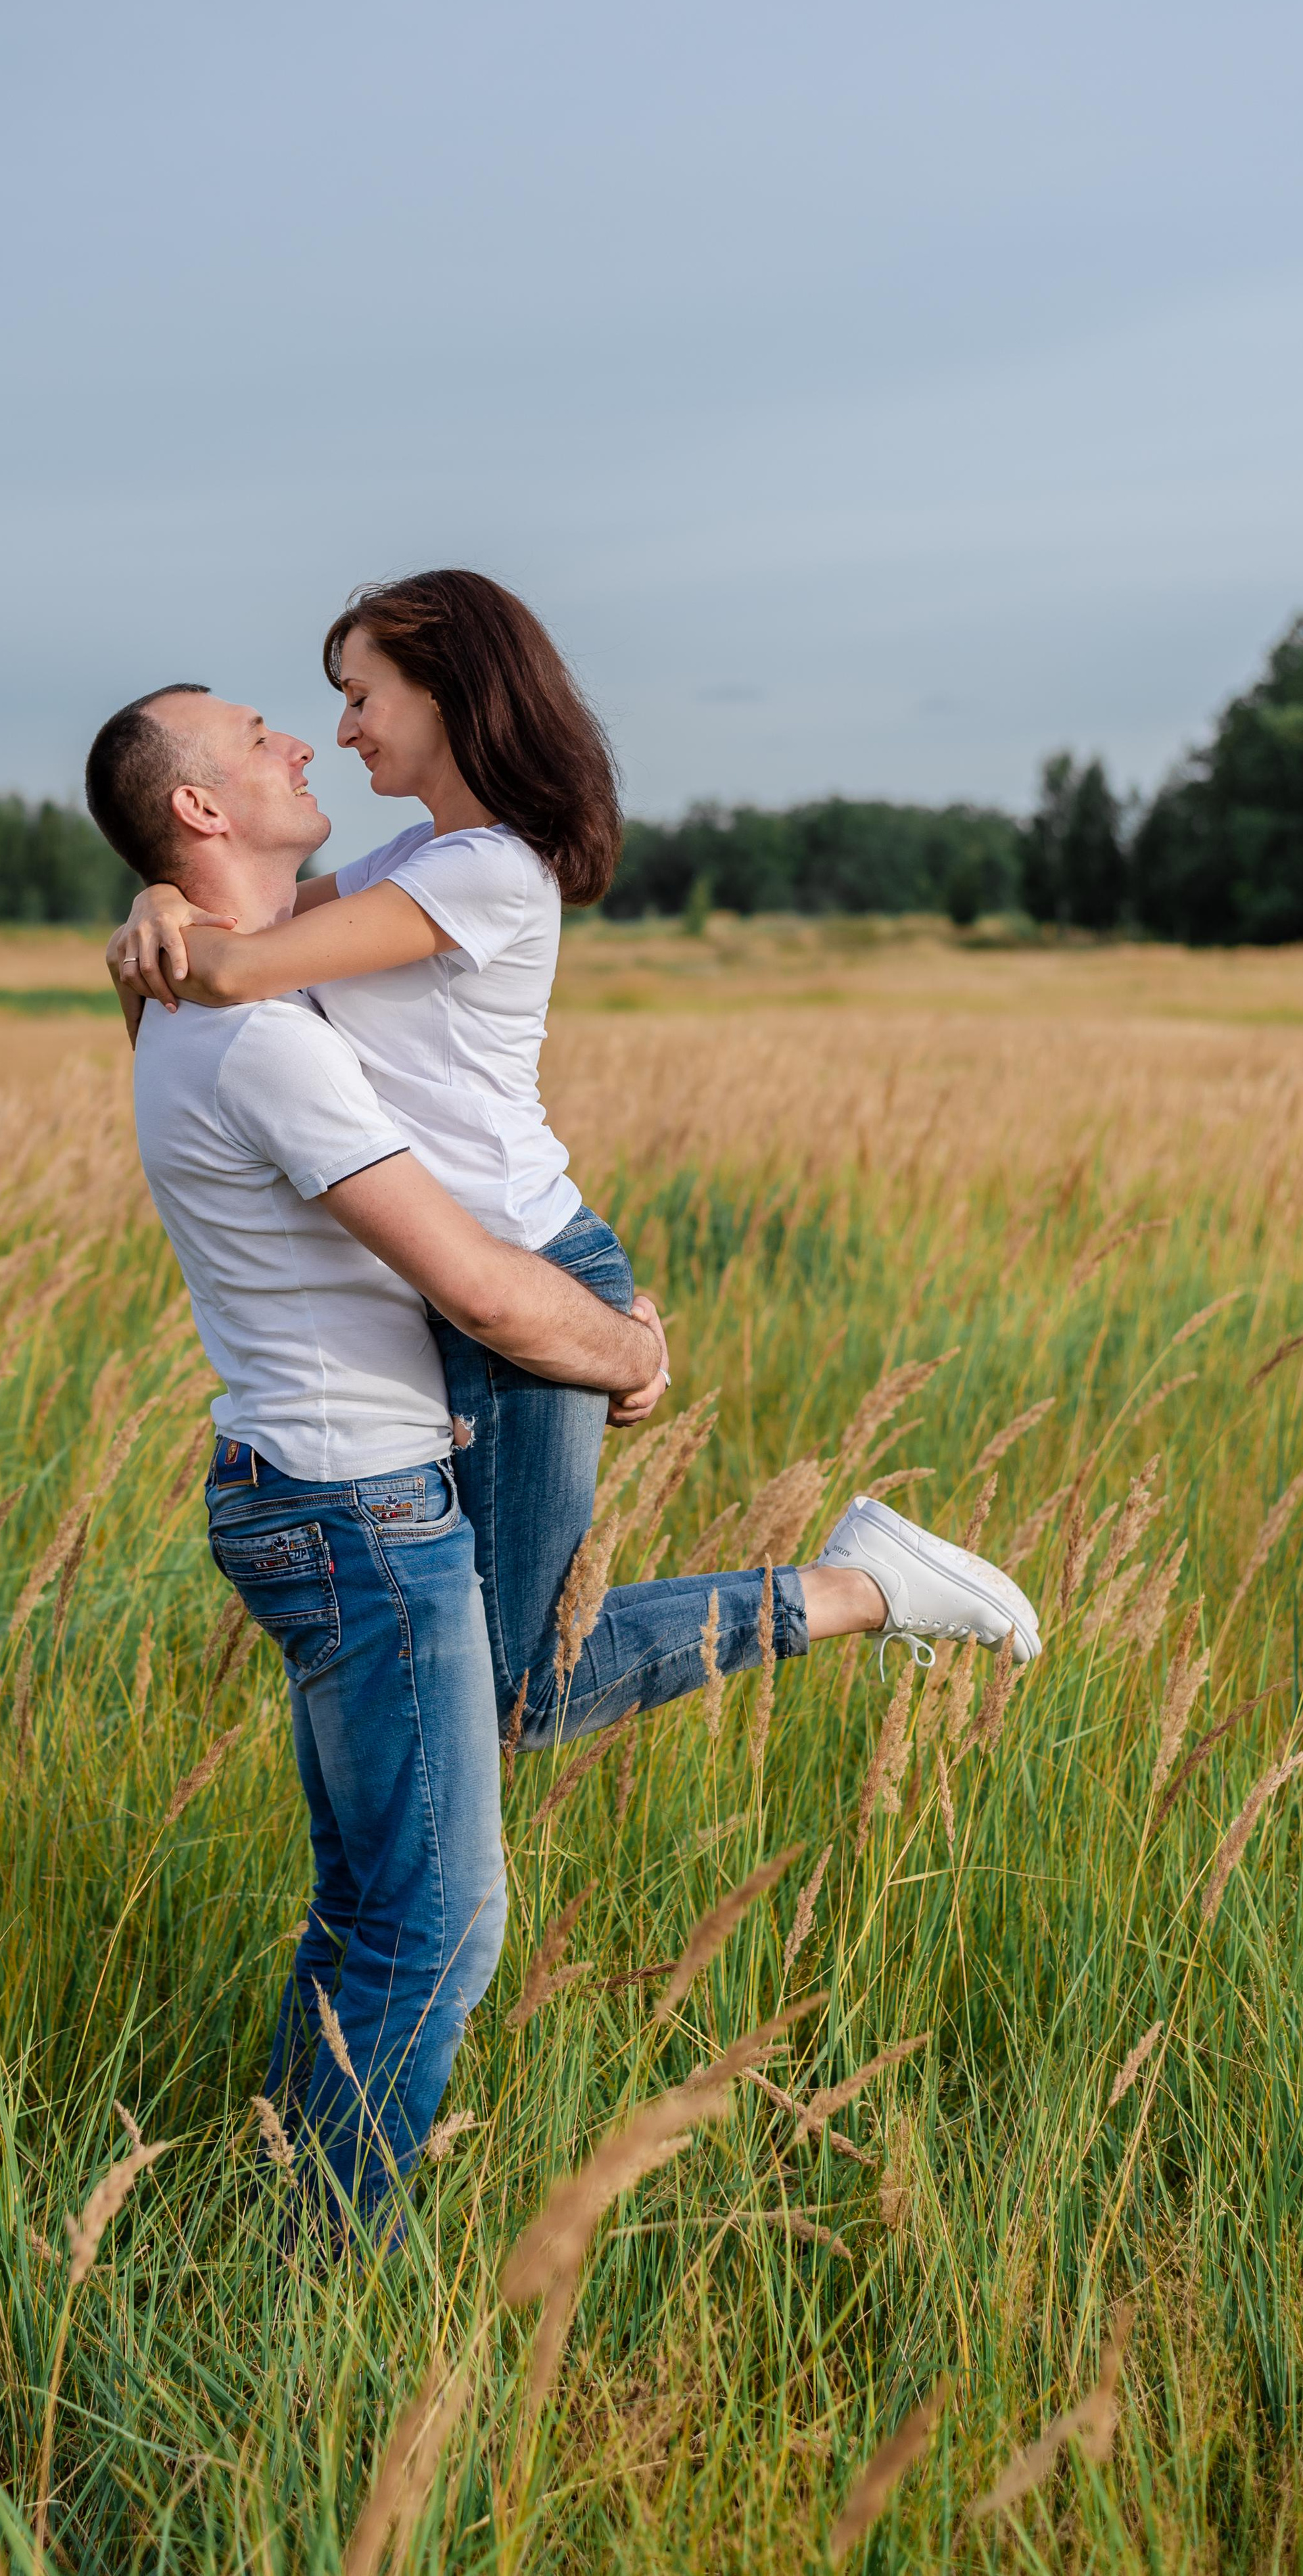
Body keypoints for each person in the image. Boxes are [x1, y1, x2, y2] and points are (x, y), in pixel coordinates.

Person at [85, 680, 1043, 2224]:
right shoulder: (262, 1037)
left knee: (373, 1901)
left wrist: (151, 908)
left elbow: (210, 957)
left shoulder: (224, 988)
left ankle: (283, 2216)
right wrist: (629, 1350)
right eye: (260, 731)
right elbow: (467, 1281)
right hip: (358, 1509)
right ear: (198, 808)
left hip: (300, 1490)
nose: (296, 739)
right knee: (439, 1927)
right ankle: (321, 2277)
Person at [104, 569, 655, 1741]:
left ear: (446, 690)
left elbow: (244, 961)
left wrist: (162, 905)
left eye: (361, 697)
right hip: (470, 1277)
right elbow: (259, 914)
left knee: (525, 1682)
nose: (342, 728)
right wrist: (162, 880)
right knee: (499, 1668)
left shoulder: (487, 868)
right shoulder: (420, 852)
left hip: (523, 1270)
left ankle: (848, 1590)